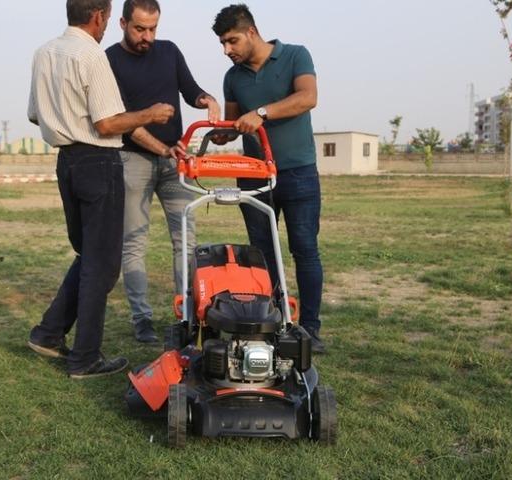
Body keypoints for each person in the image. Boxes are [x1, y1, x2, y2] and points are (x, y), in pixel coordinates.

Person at [26, 0, 175, 378]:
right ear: (100, 16)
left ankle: (48, 333)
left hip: (67, 162)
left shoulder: (44, 53)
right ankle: (85, 357)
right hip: (98, 160)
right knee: (103, 263)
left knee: (88, 254)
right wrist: (150, 114)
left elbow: (33, 114)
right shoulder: (92, 55)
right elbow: (109, 124)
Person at [211, 4, 326, 352]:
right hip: (253, 177)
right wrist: (221, 134)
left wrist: (262, 113)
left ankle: (309, 329)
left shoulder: (295, 55)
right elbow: (235, 125)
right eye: (222, 44)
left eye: (232, 41)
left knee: (304, 249)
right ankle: (273, 321)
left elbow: (308, 98)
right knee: (263, 255)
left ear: (251, 32)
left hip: (298, 172)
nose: (227, 50)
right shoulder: (233, 77)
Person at [105, 0, 221, 344]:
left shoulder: (169, 51)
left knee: (186, 242)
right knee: (134, 242)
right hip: (133, 161)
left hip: (175, 162)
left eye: (153, 28)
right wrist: (163, 149)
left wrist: (208, 100)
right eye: (140, 29)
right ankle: (142, 319)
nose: (147, 36)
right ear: (123, 23)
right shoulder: (110, 60)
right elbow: (125, 123)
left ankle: (187, 313)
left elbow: (191, 90)